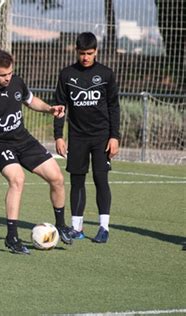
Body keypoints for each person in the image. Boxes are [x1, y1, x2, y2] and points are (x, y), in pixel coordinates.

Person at [0, 49, 74, 255]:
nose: (8, 78)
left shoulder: (16, 82)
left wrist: (49, 109)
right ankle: (12, 237)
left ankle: (61, 226)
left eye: (10, 73)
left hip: (23, 140)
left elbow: (31, 101)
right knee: (17, 179)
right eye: (3, 75)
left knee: (57, 177)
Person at [54, 32, 120, 243]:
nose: (85, 57)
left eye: (89, 53)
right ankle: (76, 228)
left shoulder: (106, 74)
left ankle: (103, 228)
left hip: (101, 137)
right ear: (76, 51)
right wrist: (59, 136)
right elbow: (60, 107)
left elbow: (114, 107)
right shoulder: (66, 74)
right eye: (82, 53)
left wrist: (114, 136)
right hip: (77, 137)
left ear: (96, 52)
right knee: (77, 181)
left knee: (101, 179)